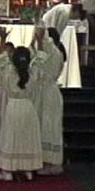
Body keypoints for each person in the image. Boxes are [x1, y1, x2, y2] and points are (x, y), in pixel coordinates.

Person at [0, 23, 51, 182]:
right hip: (28, 108)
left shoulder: (7, 71)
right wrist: (39, 40)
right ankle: (27, 168)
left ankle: (7, 169)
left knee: (10, 137)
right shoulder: (33, 71)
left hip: (13, 107)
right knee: (26, 137)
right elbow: (42, 56)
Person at [30, 27, 66, 176]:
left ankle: (51, 161)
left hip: (46, 92)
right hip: (48, 92)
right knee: (46, 125)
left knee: (49, 125)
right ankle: (46, 160)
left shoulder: (48, 54)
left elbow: (35, 72)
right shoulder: (56, 53)